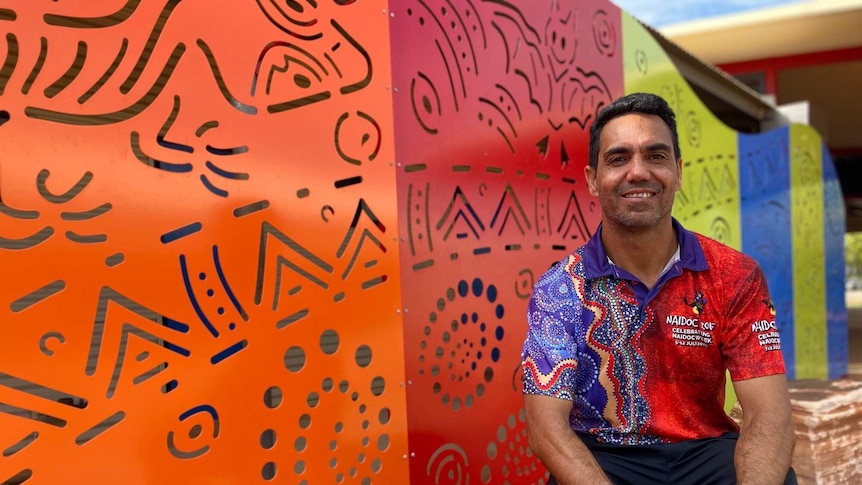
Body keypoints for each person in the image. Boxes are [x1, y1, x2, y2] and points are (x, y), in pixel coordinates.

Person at [520, 92, 796, 485]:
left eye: (656, 155)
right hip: (605, 457)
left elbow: (769, 415)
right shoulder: (559, 288)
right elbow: (546, 428)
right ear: (592, 180)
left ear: (678, 172)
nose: (638, 172)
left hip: (706, 452)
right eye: (618, 158)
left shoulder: (735, 274)